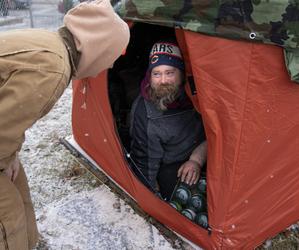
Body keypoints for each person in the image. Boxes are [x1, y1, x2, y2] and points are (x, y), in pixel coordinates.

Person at [0, 0, 130, 249]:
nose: (111, 64)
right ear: (100, 48)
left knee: (20, 190)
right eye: (114, 55)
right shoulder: (54, 70)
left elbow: (9, 114)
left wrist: (11, 155)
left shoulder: (51, 46)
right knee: (8, 213)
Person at [130, 41, 207, 200]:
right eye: (156, 74)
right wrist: (152, 199)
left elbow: (220, 131)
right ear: (149, 76)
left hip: (207, 152)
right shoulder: (145, 114)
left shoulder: (200, 93)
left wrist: (197, 159)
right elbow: (144, 165)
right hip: (175, 167)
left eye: (170, 73)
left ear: (181, 73)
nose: (163, 80)